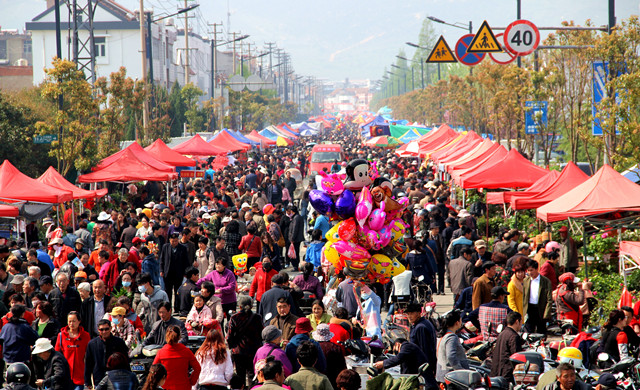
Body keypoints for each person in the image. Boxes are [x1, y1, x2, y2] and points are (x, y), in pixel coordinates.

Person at [227, 295, 264, 387]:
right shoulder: (257, 317)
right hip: (254, 350)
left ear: (239, 306)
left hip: (239, 351)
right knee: (252, 374)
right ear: (252, 306)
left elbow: (229, 336)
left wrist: (232, 347)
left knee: (240, 375)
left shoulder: (234, 318)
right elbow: (262, 333)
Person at [152, 325, 201, 390]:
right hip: (184, 386)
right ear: (179, 337)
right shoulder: (186, 351)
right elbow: (197, 368)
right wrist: (192, 381)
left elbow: (153, 371)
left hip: (166, 387)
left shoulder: (161, 352)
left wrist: (159, 384)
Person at [84, 319, 129, 389]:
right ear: (98, 330)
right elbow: (88, 363)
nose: (104, 332)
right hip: (99, 379)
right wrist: (87, 381)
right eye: (101, 330)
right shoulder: (92, 344)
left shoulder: (119, 342)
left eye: (106, 329)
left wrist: (128, 376)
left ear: (110, 328)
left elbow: (125, 361)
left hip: (115, 379)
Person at [55, 312, 90, 390]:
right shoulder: (61, 335)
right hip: (65, 375)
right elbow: (56, 355)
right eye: (69, 321)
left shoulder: (86, 336)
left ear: (79, 321)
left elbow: (88, 356)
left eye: (74, 321)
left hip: (80, 375)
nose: (71, 323)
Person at [405, 302, 437, 388]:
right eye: (408, 314)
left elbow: (424, 350)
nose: (409, 316)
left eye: (412, 313)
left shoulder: (421, 327)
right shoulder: (420, 324)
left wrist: (425, 370)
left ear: (419, 313)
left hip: (422, 368)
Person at [436, 310, 469, 383]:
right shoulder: (451, 337)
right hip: (450, 376)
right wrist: (460, 371)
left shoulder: (442, 335)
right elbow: (451, 356)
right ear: (457, 323)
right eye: (460, 320)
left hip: (442, 374)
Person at [490, 311, 523, 382]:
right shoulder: (514, 336)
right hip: (506, 374)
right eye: (521, 322)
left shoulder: (502, 334)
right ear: (517, 322)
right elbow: (517, 356)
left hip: (495, 372)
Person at [158, 233, 189, 307]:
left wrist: (185, 272)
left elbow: (186, 262)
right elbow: (162, 259)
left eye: (175, 241)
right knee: (168, 291)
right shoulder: (165, 247)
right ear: (169, 240)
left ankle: (177, 307)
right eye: (172, 241)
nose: (174, 243)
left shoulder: (183, 248)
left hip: (178, 273)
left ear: (178, 240)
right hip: (168, 273)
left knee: (177, 291)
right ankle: (168, 306)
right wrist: (161, 270)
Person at [523, 259, 553, 334]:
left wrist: (546, 313)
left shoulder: (545, 281)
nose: (530, 273)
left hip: (540, 309)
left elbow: (549, 299)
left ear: (537, 269)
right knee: (528, 332)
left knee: (541, 332)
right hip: (529, 309)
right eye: (528, 270)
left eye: (531, 270)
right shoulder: (525, 281)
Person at [314, 324, 346, 389]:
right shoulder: (336, 348)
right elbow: (342, 367)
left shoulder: (313, 348)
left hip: (316, 381)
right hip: (333, 382)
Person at [287, 206, 305, 271]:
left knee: (295, 253)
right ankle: (296, 266)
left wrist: (292, 238)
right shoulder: (297, 217)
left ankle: (295, 266)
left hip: (296, 239)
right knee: (296, 252)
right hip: (297, 238)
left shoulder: (296, 218)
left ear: (292, 211)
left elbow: (295, 229)